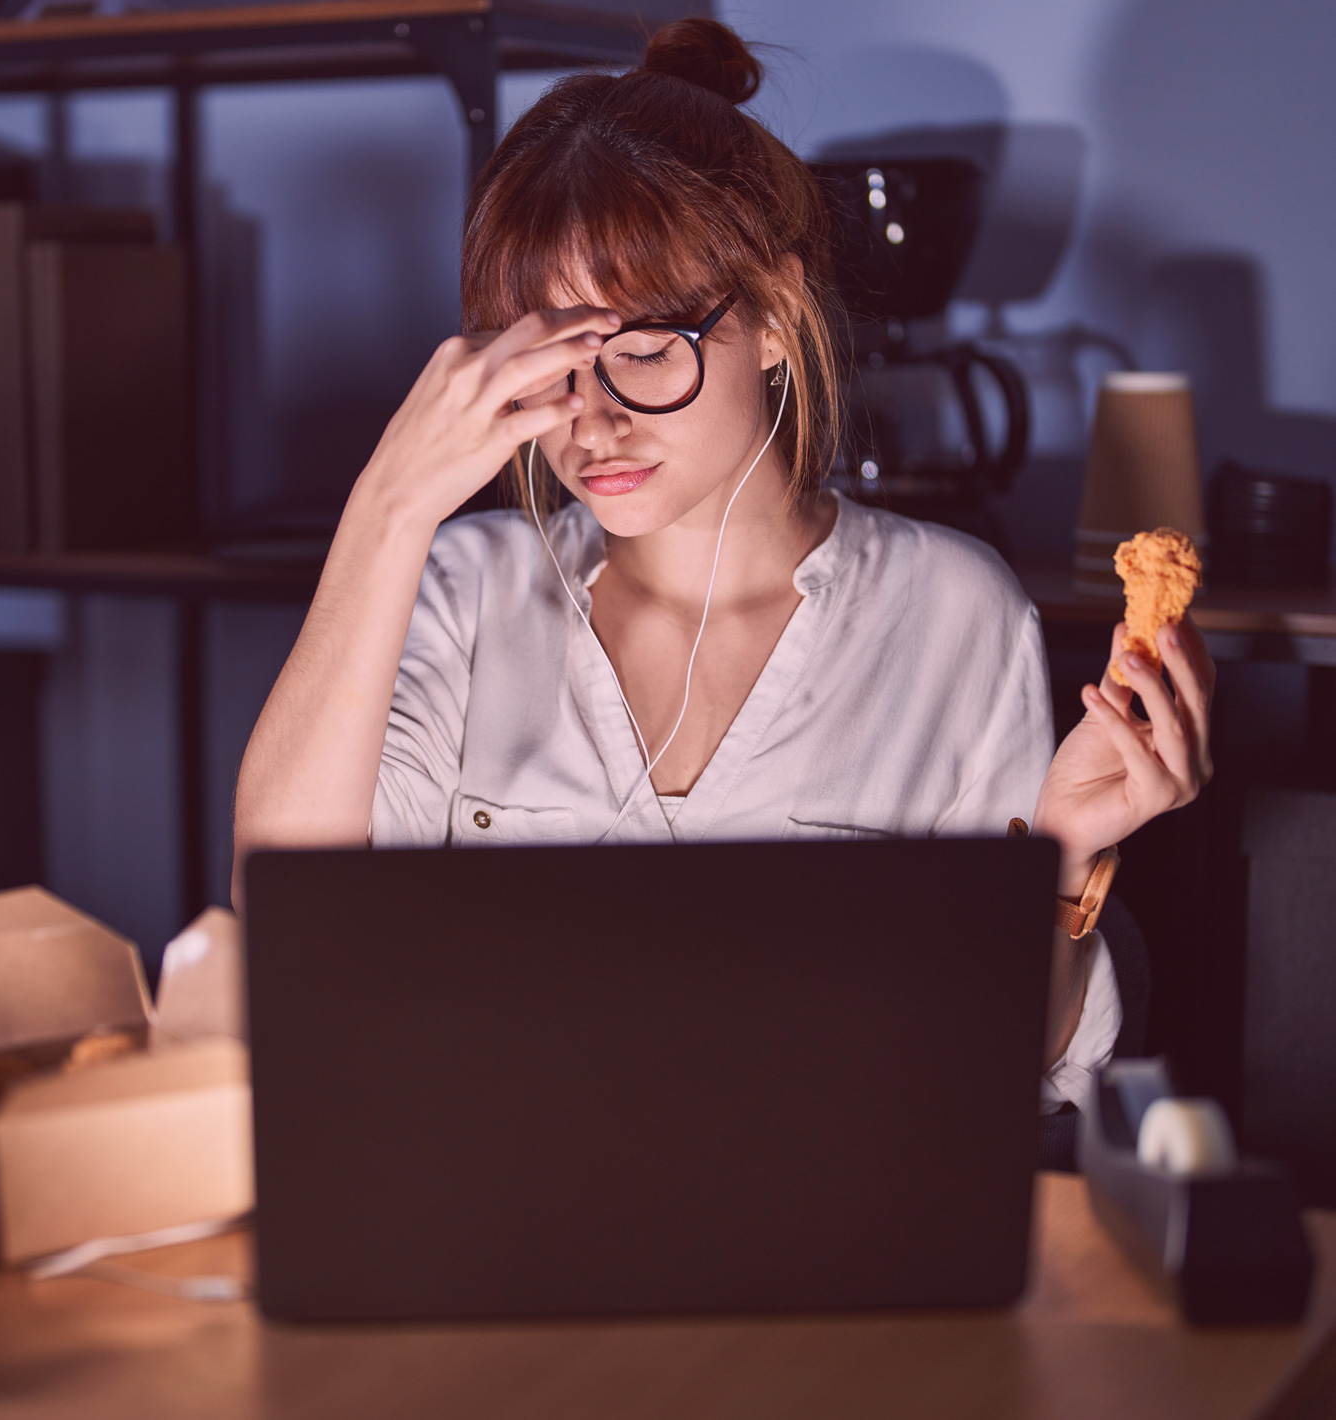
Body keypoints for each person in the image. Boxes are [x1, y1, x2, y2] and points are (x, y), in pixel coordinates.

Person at [233, 18, 1215, 1111]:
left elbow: (993, 1070)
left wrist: (1066, 859)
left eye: (648, 353)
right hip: (493, 1227)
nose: (592, 422)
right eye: (553, 366)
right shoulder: (464, 591)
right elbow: (288, 915)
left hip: (832, 1242)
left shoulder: (953, 614)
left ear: (778, 317)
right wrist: (385, 510)